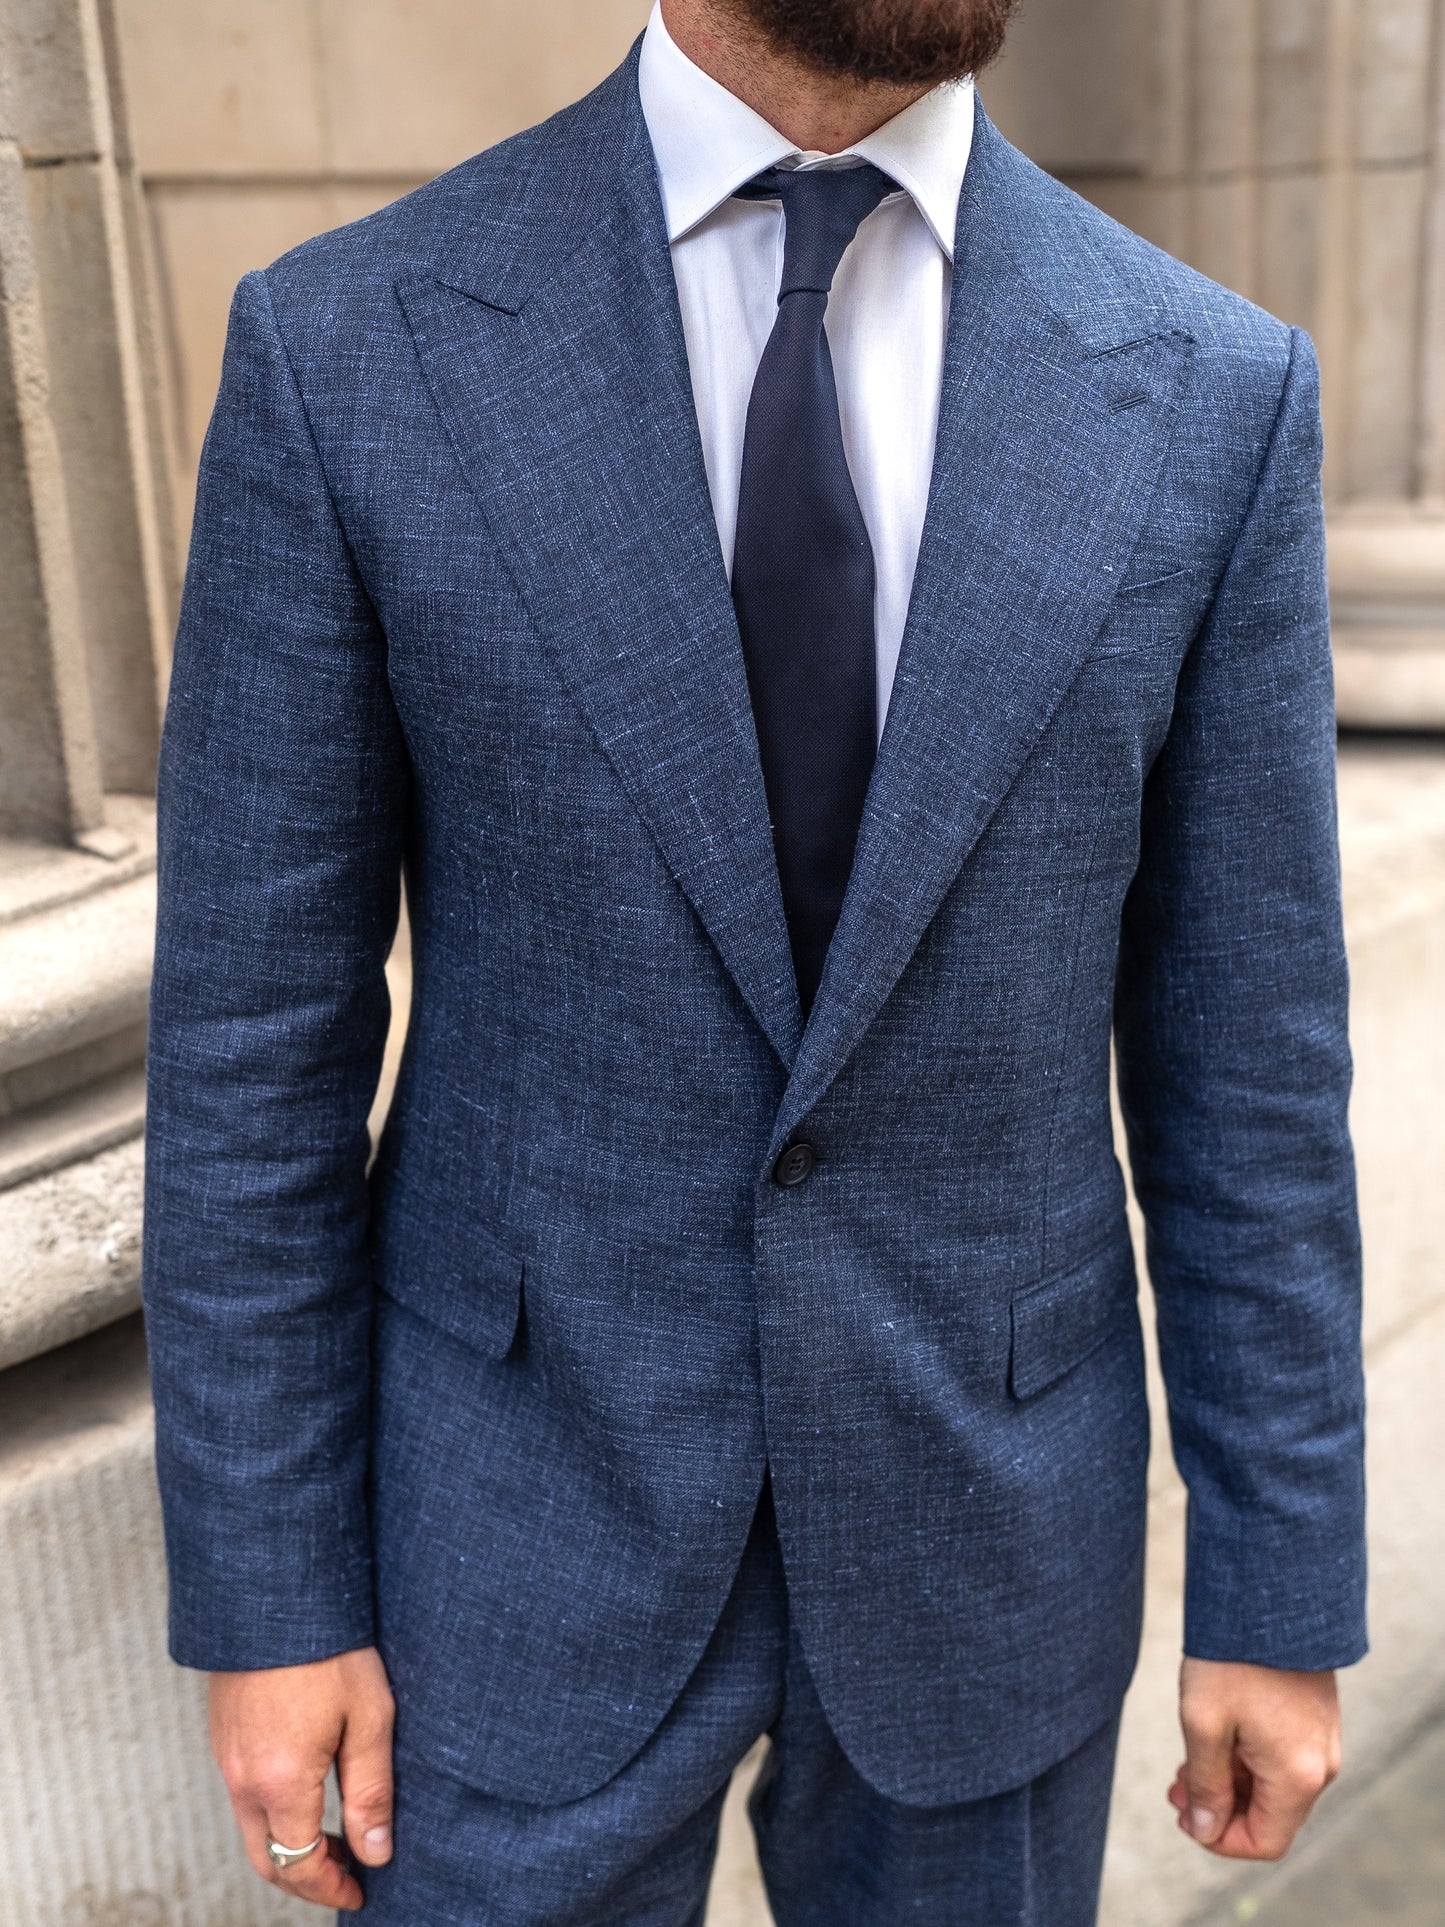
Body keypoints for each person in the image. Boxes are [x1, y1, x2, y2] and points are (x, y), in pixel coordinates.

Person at [143, 0, 1366, 1919]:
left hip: (994, 1535)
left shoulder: (1211, 389)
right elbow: (248, 1044)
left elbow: (1253, 1066)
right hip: (507, 1530)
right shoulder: (351, 346)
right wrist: (268, 1594)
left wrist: (1276, 1584)